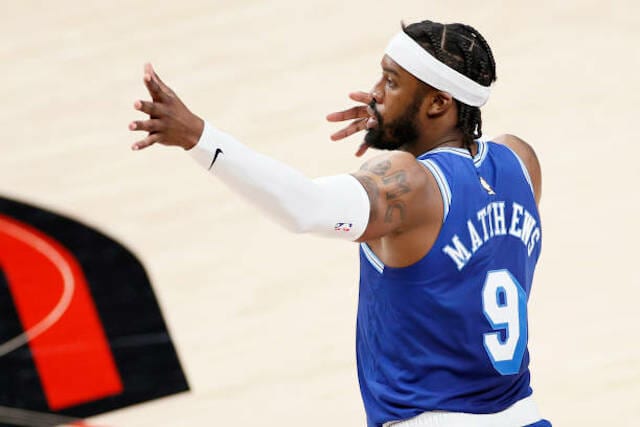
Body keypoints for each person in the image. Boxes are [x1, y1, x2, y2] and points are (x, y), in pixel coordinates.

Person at [129, 19, 551, 427]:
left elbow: (305, 207)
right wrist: (406, 127)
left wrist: (197, 136)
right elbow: (462, 236)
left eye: (391, 82)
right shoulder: (519, 160)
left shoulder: (410, 184)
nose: (375, 93)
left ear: (438, 103)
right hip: (525, 415)